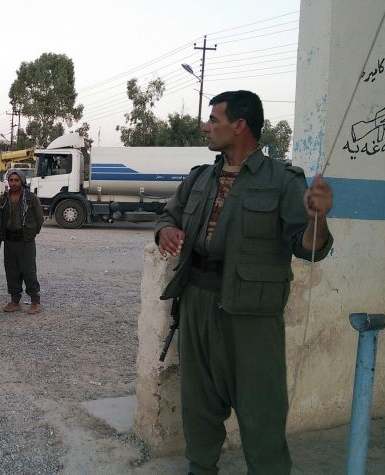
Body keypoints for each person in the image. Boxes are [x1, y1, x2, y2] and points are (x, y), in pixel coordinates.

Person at [155, 90, 334, 474]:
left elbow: (309, 248)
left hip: (252, 313)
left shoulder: (283, 181)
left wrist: (318, 220)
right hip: (196, 300)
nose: (206, 127)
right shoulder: (200, 177)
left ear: (239, 126)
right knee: (198, 403)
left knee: (261, 407)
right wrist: (166, 230)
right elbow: (168, 215)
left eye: (214, 120)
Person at [0, 170, 44, 315]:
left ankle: (35, 301)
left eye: (16, 180)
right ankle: (15, 301)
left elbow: (39, 219)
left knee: (28, 270)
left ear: (22, 181)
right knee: (11, 271)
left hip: (25, 241)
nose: (13, 183)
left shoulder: (31, 198)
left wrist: (31, 233)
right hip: (10, 241)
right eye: (11, 180)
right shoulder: (4, 198)